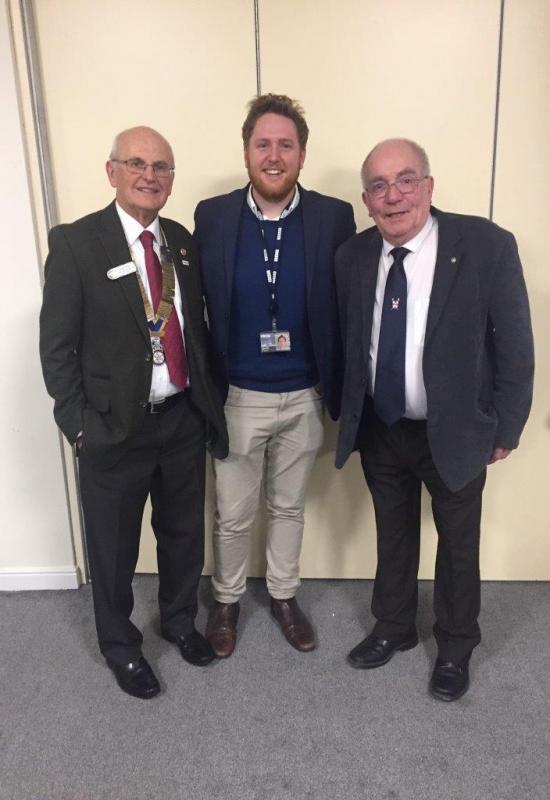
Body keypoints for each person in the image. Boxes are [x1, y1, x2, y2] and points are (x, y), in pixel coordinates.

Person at [335, 138, 533, 701]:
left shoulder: (485, 245)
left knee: (458, 543)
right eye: (378, 185)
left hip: (458, 429)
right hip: (383, 427)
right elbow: (349, 343)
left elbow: (515, 345)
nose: (393, 195)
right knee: (392, 535)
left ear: (428, 186)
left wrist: (507, 426)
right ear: (366, 199)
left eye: (405, 180)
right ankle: (394, 627)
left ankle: (455, 645)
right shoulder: (352, 256)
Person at [39, 126, 228, 699]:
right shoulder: (76, 244)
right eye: (138, 164)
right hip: (111, 428)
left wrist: (203, 406)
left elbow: (196, 330)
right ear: (112, 171)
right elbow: (57, 348)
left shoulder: (182, 241)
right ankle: (120, 646)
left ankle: (177, 622)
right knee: (114, 547)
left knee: (181, 536)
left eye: (163, 167)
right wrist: (79, 427)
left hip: (179, 419)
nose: (151, 176)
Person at [194, 94, 356, 657]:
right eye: (263, 143)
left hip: (305, 393)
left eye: (285, 144)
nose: (273, 154)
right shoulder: (211, 216)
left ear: (302, 155)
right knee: (233, 511)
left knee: (288, 506)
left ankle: (285, 596)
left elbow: (347, 305)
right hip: (237, 393)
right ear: (245, 152)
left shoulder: (334, 217)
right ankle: (227, 600)